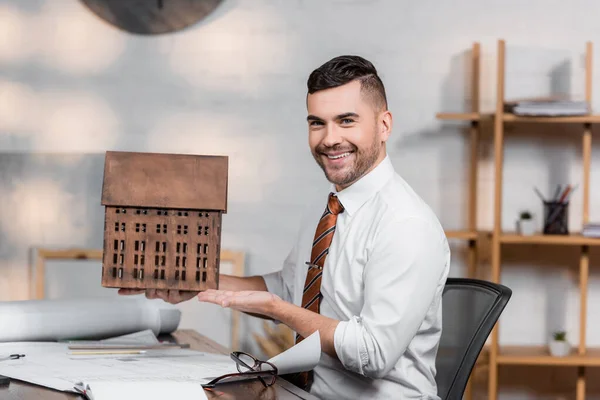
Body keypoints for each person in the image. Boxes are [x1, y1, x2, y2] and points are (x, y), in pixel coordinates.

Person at [120, 55, 450, 400]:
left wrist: (277, 309)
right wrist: (196, 281)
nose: (330, 138)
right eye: (317, 123)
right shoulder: (329, 208)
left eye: (346, 121)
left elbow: (373, 353)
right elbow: (289, 288)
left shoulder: (405, 224)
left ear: (384, 125)